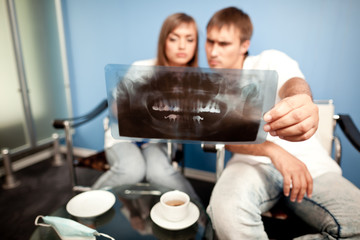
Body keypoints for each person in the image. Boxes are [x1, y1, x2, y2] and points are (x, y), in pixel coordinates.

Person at [205, 7, 360, 239]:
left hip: (310, 166)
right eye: (210, 41)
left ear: (244, 45)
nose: (213, 51)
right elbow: (224, 139)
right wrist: (274, 152)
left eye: (223, 43)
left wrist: (301, 98)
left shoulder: (269, 60)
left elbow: (293, 82)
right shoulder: (208, 85)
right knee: (225, 213)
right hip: (250, 165)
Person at [92, 13, 200, 201]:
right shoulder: (141, 68)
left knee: (160, 173)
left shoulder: (197, 81)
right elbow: (115, 110)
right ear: (163, 41)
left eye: (189, 39)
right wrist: (142, 103)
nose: (182, 46)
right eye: (174, 38)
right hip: (123, 138)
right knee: (132, 170)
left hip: (158, 142)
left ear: (196, 44)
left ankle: (200, 220)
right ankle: (84, 212)